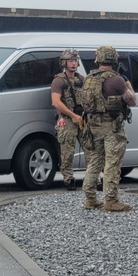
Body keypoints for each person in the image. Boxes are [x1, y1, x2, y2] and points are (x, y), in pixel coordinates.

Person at [79, 45, 137, 212]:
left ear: (98, 59)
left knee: (94, 162)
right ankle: (111, 200)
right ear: (114, 59)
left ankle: (90, 198)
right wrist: (129, 86)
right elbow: (132, 101)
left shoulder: (89, 78)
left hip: (93, 126)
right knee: (112, 163)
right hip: (111, 127)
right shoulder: (116, 80)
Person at [50, 48, 84, 190]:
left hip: (82, 118)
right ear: (64, 62)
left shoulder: (82, 79)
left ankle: (96, 178)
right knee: (67, 152)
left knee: (92, 149)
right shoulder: (59, 81)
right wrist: (73, 116)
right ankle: (68, 179)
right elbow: (56, 102)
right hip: (68, 119)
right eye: (70, 60)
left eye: (75, 60)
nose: (73, 63)